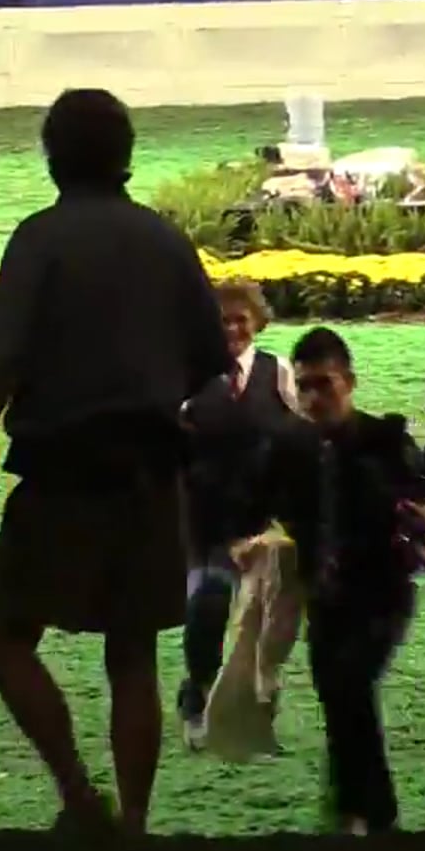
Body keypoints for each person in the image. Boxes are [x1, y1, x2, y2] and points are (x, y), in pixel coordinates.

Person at [0, 89, 231, 833]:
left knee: (2, 636)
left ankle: (78, 795)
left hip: (61, 475)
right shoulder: (164, 240)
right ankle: (132, 824)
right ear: (126, 157)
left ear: (52, 155)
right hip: (153, 476)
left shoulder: (39, 240)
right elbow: (209, 365)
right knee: (133, 658)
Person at [268, 327, 425, 835]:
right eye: (303, 387)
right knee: (339, 693)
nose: (313, 397)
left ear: (350, 381)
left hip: (382, 590)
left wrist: (423, 519)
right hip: (324, 593)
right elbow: (263, 508)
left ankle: (369, 811)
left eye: (323, 384)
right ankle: (354, 809)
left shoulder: (385, 439)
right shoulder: (291, 447)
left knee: (349, 683)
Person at [175, 280, 297, 750]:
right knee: (207, 605)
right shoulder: (189, 376)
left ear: (257, 321)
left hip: (261, 520)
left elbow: (298, 433)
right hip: (203, 519)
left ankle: (256, 708)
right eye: (222, 319)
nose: (232, 328)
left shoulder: (277, 372)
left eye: (240, 318)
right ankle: (197, 698)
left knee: (264, 624)